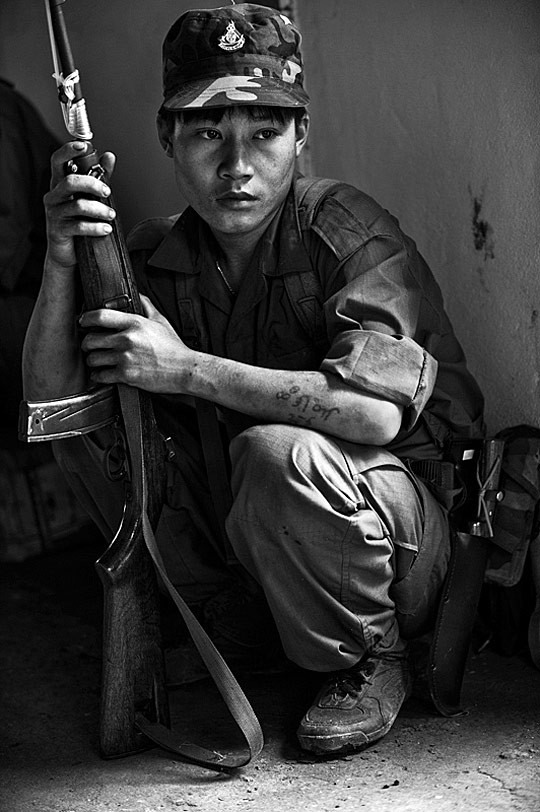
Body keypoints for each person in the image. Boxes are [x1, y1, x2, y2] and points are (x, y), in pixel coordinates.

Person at [22, 3, 484, 755]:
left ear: (301, 136)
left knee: (277, 453)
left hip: (401, 555)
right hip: (261, 559)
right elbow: (54, 410)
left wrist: (184, 368)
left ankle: (372, 656)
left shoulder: (342, 228)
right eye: (208, 133)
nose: (237, 165)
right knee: (109, 434)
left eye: (265, 133)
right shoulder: (158, 257)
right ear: (167, 137)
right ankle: (245, 626)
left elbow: (375, 416)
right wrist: (61, 256)